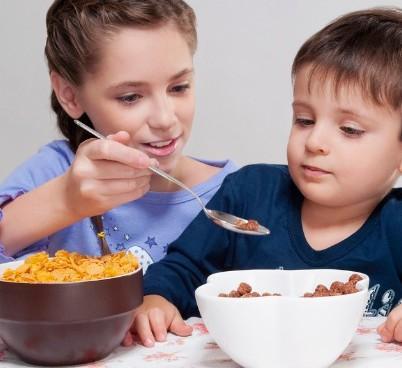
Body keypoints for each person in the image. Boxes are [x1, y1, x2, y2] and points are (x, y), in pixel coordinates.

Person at [131, 7, 402, 347]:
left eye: (349, 129)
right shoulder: (248, 194)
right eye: (304, 120)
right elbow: (184, 267)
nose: (315, 142)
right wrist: (157, 299)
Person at [0, 0, 236, 270]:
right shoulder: (53, 172)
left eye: (179, 87)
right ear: (69, 94)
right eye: (130, 97)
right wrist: (64, 200)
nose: (165, 118)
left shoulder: (234, 194)